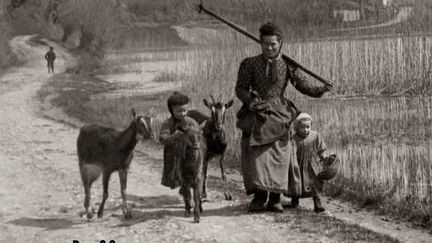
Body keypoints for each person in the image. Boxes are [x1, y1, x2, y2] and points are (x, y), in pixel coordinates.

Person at [235, 22, 332, 213]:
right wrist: (251, 101)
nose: (269, 48)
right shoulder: (249, 64)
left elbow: (303, 86)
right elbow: (240, 88)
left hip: (281, 114)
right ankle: (259, 197)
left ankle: (275, 198)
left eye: (273, 44)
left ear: (280, 43)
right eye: (266, 44)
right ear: (260, 43)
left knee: (281, 156)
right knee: (258, 155)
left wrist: (322, 89)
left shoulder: (288, 65)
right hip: (258, 112)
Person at [159, 92, 200, 189]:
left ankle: (189, 189)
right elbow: (162, 139)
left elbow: (198, 131)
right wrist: (174, 136)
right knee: (177, 174)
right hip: (174, 155)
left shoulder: (190, 121)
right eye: (179, 111)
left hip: (189, 154)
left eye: (184, 110)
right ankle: (183, 188)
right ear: (171, 111)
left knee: (191, 172)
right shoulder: (168, 123)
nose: (182, 113)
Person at [291, 113, 327, 213]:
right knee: (297, 182)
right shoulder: (293, 138)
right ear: (296, 127)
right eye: (302, 127)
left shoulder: (315, 136)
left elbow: (321, 149)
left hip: (312, 165)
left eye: (308, 127)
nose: (306, 129)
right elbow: (289, 151)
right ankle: (295, 200)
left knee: (314, 183)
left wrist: (324, 158)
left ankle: (317, 203)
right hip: (298, 164)